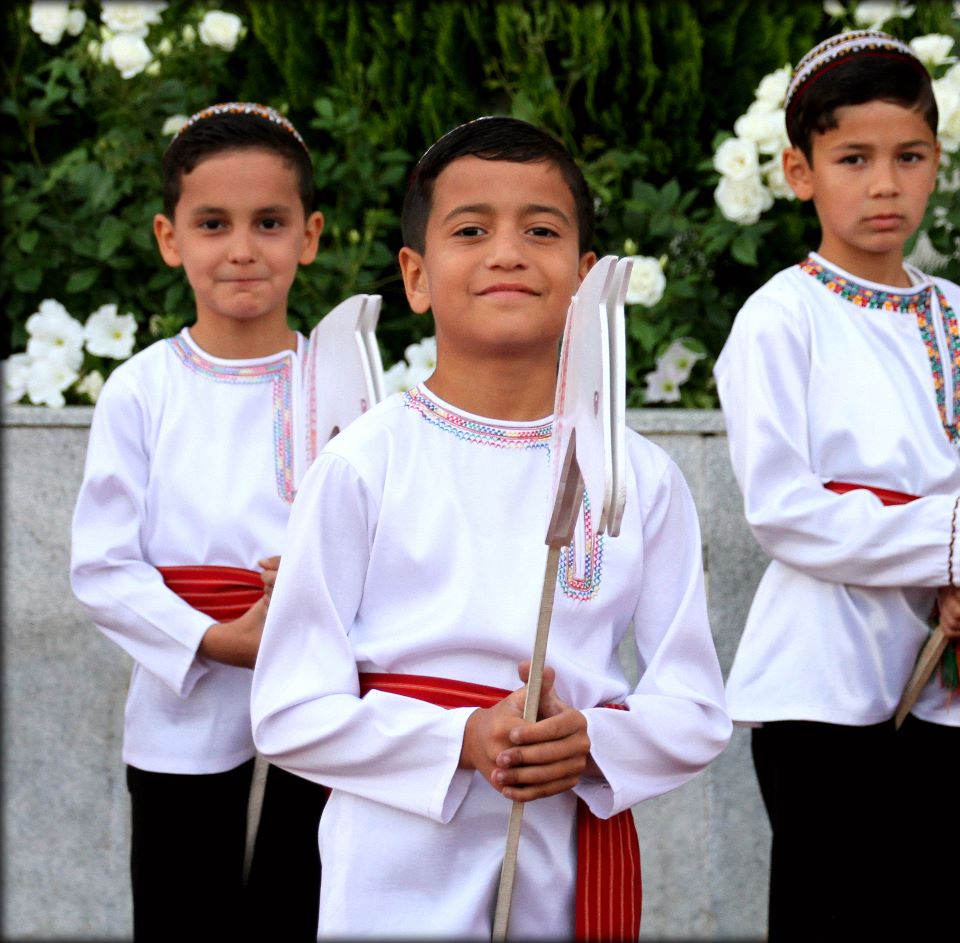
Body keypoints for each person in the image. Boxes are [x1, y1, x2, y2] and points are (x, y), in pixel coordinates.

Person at [248, 115, 732, 940]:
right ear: (416, 274)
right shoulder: (366, 463)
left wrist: (593, 743)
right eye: (471, 230)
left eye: (540, 230)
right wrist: (461, 739)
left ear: (585, 277)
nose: (507, 251)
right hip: (395, 857)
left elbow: (694, 705)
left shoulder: (635, 475)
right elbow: (290, 709)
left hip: (564, 850)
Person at [713, 30, 960, 941]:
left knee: (929, 914)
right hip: (821, 683)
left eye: (908, 157)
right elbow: (783, 509)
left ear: (936, 163)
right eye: (853, 159)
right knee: (831, 916)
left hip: (945, 683)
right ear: (799, 171)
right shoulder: (779, 319)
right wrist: (952, 534)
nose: (884, 184)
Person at [69, 102, 331, 940]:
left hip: (324, 699)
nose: (243, 248)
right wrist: (219, 641)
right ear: (169, 236)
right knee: (185, 910)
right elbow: (104, 567)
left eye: (270, 222)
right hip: (184, 702)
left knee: (306, 906)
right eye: (213, 223)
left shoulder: (346, 388)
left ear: (310, 234)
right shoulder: (142, 389)